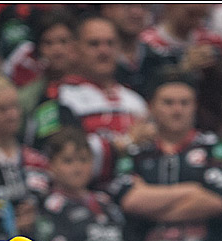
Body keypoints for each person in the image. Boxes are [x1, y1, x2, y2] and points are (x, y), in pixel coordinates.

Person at [110, 72, 222, 241]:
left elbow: (220, 202)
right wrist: (193, 191)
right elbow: (130, 200)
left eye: (184, 103)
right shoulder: (136, 153)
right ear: (151, 106)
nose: (177, 110)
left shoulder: (215, 147)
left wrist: (151, 204)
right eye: (168, 103)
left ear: (195, 106)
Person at [26, 14, 151, 186]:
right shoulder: (57, 98)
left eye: (110, 43)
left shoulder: (135, 101)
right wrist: (126, 143)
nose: (104, 51)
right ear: (74, 50)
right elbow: (53, 155)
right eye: (94, 44)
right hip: (82, 198)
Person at [35, 127, 147, 241]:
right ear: (51, 165)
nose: (77, 168)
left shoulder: (105, 202)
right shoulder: (49, 208)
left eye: (83, 160)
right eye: (68, 161)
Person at [0, 73, 48, 235]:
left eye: (15, 107)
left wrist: (35, 213)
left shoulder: (34, 157)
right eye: (2, 109)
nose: (12, 115)